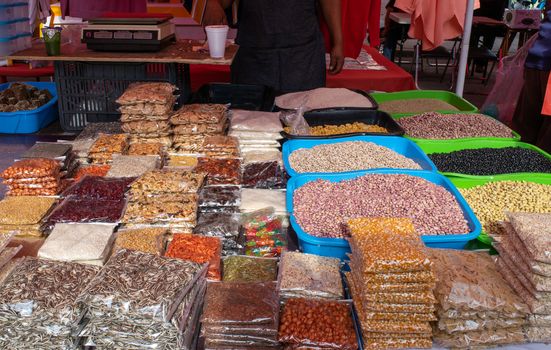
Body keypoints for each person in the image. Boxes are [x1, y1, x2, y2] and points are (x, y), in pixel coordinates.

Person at [203, 0, 344, 93]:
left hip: (304, 56)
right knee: (251, 125)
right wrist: (211, 3)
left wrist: (338, 41)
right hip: (254, 56)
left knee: (306, 121)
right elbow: (223, 3)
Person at [512, 4, 551, 152]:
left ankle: (520, 168)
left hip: (538, 56)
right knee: (543, 142)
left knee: (525, 129)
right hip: (542, 61)